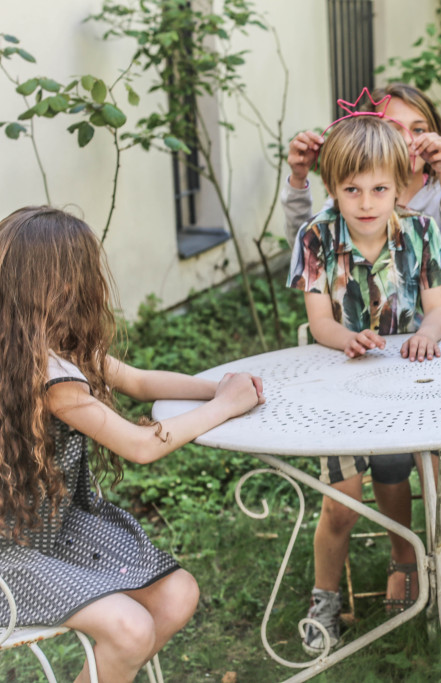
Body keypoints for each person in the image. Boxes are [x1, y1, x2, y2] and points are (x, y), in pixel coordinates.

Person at [0, 206, 264, 683]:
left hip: (53, 527)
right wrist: (225, 406)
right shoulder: (46, 377)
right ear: (61, 284)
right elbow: (141, 447)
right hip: (9, 554)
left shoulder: (51, 346)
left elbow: (139, 382)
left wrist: (219, 386)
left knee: (177, 593)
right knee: (130, 629)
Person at [282, 82, 441, 597]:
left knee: (439, 466)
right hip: (347, 376)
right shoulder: (318, 236)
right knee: (363, 483)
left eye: (379, 190)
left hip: (413, 370)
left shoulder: (421, 231)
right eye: (351, 190)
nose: (366, 202)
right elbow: (319, 321)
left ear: (401, 186)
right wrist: (347, 338)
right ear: (332, 187)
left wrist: (425, 331)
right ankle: (385, 568)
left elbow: (439, 309)